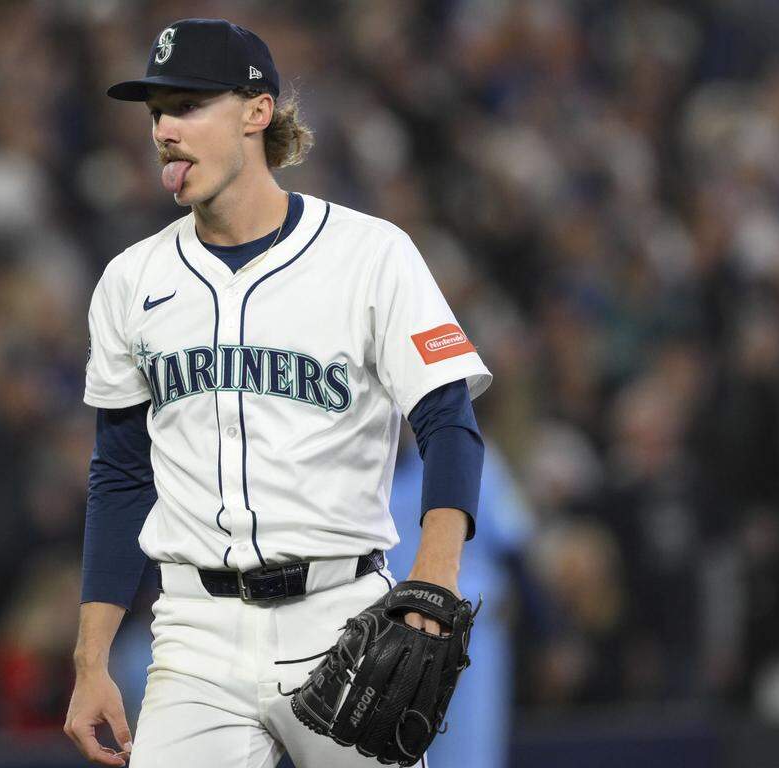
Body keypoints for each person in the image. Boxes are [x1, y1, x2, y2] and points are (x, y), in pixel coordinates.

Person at [64, 18, 492, 767]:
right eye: (157, 112)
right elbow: (121, 474)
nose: (165, 130)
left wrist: (436, 575)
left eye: (189, 106)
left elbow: (449, 420)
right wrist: (91, 658)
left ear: (257, 112)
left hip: (341, 618)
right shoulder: (132, 281)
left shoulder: (370, 254)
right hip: (194, 636)